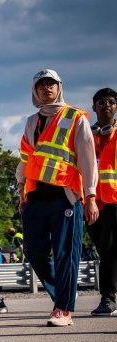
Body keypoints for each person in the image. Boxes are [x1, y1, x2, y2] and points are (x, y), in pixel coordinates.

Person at [16, 69, 99, 327]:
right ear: (34, 91)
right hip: (35, 195)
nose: (46, 88)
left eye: (50, 84)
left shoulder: (75, 117)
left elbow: (87, 158)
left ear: (59, 87)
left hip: (66, 195)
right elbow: (26, 157)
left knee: (65, 253)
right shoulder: (31, 121)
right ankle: (64, 293)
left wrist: (91, 195)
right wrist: (21, 187)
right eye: (40, 85)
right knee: (33, 251)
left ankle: (63, 308)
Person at [88, 87, 117, 316]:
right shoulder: (86, 136)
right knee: (104, 250)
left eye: (111, 102)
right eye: (101, 102)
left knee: (110, 250)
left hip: (114, 200)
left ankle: (108, 297)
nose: (106, 105)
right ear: (94, 107)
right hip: (93, 203)